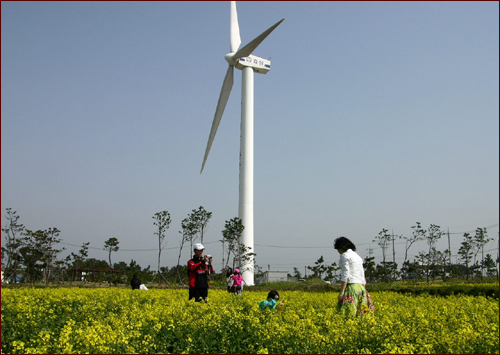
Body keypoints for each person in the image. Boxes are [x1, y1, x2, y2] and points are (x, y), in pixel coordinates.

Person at [333, 236, 375, 317]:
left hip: (351, 288)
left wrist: (341, 293)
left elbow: (346, 275)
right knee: (361, 315)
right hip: (361, 289)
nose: (338, 251)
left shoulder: (345, 256)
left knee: (349, 315)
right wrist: (363, 288)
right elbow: (362, 275)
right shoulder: (357, 256)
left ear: (341, 247)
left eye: (338, 249)